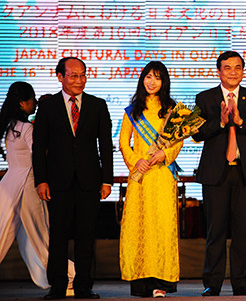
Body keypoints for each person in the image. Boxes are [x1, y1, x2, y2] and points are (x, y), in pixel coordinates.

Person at [33, 57, 113, 300]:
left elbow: (106, 146)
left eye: (83, 75)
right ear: (60, 77)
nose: (79, 80)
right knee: (58, 235)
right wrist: (41, 180)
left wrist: (107, 180)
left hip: (89, 182)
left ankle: (83, 287)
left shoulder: (98, 105)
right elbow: (39, 147)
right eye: (73, 75)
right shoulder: (47, 107)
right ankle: (57, 287)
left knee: (86, 236)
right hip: (58, 182)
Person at [192, 50, 246, 296]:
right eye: (227, 68)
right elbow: (196, 133)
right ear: (219, 71)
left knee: (242, 229)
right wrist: (221, 123)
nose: (233, 72)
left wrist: (240, 121)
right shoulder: (205, 98)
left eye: (238, 67)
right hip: (216, 172)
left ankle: (241, 283)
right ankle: (212, 283)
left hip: (244, 172)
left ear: (243, 71)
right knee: (215, 230)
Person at [0, 85, 75, 294]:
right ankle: (68, 276)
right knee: (41, 236)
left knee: (20, 237)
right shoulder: (27, 128)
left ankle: (58, 277)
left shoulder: (11, 125)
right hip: (28, 183)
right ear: (23, 103)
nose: (33, 103)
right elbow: (40, 155)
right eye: (32, 99)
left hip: (9, 184)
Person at [118, 61, 183, 298]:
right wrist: (136, 161)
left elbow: (177, 141)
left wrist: (163, 154)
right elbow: (124, 142)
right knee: (139, 226)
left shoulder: (172, 109)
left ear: (164, 81)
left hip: (163, 176)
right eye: (148, 77)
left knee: (162, 227)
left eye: (157, 77)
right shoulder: (132, 110)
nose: (151, 82)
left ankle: (161, 282)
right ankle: (141, 281)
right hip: (140, 177)